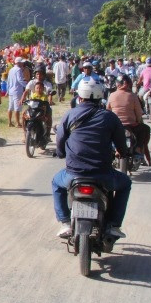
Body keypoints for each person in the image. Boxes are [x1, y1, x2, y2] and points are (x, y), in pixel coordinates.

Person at [52, 78, 131, 240]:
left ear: (79, 97)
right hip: (103, 175)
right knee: (125, 183)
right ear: (100, 97)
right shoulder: (109, 117)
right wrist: (122, 153)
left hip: (74, 174)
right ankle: (114, 224)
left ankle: (65, 222)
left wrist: (61, 154)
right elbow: (121, 144)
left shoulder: (70, 114)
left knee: (56, 183)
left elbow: (60, 141)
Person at [105, 75, 151, 165]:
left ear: (118, 84)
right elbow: (138, 112)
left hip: (116, 125)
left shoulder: (112, 95)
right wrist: (138, 121)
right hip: (131, 125)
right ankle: (138, 147)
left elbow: (108, 111)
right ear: (128, 84)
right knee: (146, 129)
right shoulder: (133, 96)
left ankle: (112, 150)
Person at [5, 61, 27, 127]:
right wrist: (27, 85)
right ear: (18, 63)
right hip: (17, 91)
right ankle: (18, 123)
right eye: (22, 63)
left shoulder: (11, 69)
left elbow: (8, 81)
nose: (23, 64)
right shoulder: (18, 69)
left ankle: (9, 122)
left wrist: (7, 90)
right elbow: (20, 79)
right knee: (17, 107)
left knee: (10, 107)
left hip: (11, 91)